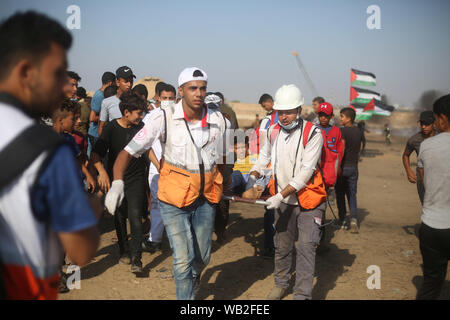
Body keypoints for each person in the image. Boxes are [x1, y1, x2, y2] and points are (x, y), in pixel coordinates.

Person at [105, 67, 229, 300]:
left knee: (202, 257)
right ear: (181, 90)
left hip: (205, 199)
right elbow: (127, 152)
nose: (199, 93)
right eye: (193, 88)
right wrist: (117, 182)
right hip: (173, 198)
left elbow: (223, 158)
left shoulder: (218, 120)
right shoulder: (162, 118)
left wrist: (221, 185)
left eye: (203, 88)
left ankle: (193, 279)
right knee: (182, 259)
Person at [0, 11, 100, 300]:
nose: (63, 87)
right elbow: (80, 250)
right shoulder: (47, 150)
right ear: (26, 72)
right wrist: (91, 206)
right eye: (57, 74)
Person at [249, 84, 325, 300]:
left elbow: (305, 173)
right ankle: (281, 284)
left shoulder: (313, 133)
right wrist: (253, 175)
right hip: (282, 199)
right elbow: (264, 157)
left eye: (289, 112)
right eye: (280, 112)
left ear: (299, 110)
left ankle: (301, 294)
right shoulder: (273, 132)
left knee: (306, 248)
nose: (284, 117)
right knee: (281, 246)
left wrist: (280, 196)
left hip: (308, 199)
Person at [91, 91, 147, 273]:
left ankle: (137, 259)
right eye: (138, 113)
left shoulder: (142, 127)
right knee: (120, 215)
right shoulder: (111, 128)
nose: (141, 116)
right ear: (126, 112)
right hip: (116, 179)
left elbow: (149, 150)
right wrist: (102, 173)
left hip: (137, 178)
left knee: (136, 216)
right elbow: (96, 153)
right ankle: (124, 250)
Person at [416, 94, 450, 300]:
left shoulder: (427, 146)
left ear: (443, 118)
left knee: (431, 283)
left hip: (432, 224)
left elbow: (425, 181)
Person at [142, 83, 177, 253]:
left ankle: (176, 240)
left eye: (171, 98)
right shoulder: (151, 117)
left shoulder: (180, 116)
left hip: (177, 168)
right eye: (165, 98)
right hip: (157, 167)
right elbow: (145, 144)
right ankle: (154, 239)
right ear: (157, 98)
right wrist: (158, 165)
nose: (168, 101)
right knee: (156, 202)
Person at [316, 102, 344, 252]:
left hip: (328, 177)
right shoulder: (314, 130)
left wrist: (336, 172)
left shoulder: (336, 132)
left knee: (322, 208)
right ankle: (312, 238)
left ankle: (321, 241)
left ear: (331, 116)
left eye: (326, 115)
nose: (323, 118)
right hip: (313, 175)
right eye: (321, 115)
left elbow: (339, 153)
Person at [335, 107, 362, 233]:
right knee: (352, 194)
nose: (340, 118)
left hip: (343, 167)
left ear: (349, 118)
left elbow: (342, 148)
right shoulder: (358, 131)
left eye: (342, 116)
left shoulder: (343, 131)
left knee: (340, 194)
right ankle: (354, 220)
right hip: (354, 167)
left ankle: (343, 220)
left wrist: (338, 166)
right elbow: (359, 148)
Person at [402, 110, 435, 205]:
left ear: (434, 123)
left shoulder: (441, 136)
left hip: (440, 177)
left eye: (427, 124)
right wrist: (408, 171)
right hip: (422, 177)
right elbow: (405, 155)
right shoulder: (414, 140)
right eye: (422, 123)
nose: (423, 127)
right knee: (426, 206)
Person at [98, 66, 136, 136]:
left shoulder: (136, 102)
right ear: (118, 82)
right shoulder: (107, 102)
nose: (129, 85)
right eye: (126, 81)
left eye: (131, 81)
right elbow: (101, 126)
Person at [87, 72, 116, 157]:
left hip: (98, 133)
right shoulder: (100, 95)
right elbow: (92, 118)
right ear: (110, 83)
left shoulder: (103, 95)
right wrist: (106, 118)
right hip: (95, 134)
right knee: (95, 160)